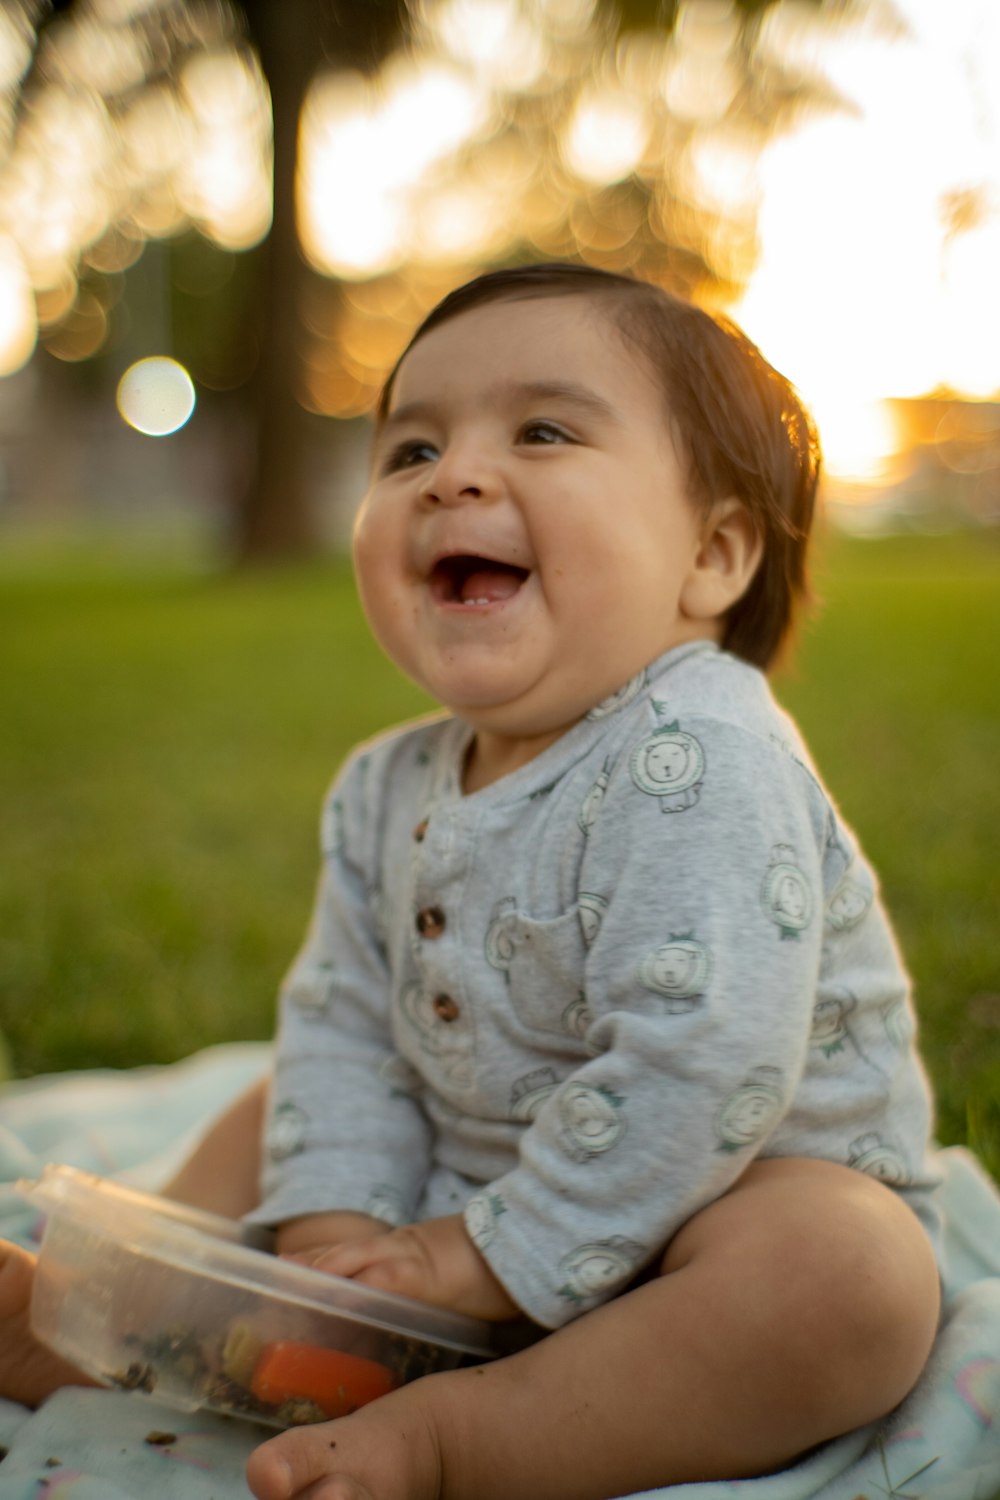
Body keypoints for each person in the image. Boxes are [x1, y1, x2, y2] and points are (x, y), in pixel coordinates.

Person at [0, 263, 943, 1500]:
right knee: (290, 1089)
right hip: (454, 1193)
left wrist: (471, 1264)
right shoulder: (383, 787)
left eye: (542, 431)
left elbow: (703, 1063)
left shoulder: (705, 755)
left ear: (710, 555)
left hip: (704, 1215)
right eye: (409, 449)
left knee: (848, 1275)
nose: (452, 474)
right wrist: (337, 1238)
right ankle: (119, 1310)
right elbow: (347, 1018)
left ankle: (462, 1438)